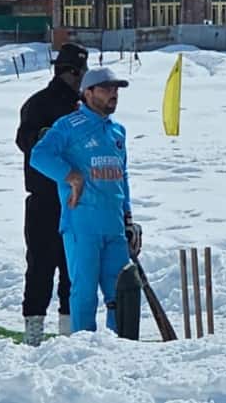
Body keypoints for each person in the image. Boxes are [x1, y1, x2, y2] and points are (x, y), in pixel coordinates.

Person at [30, 66, 142, 334]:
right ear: (88, 92)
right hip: (82, 223)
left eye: (116, 89)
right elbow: (39, 155)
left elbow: (121, 176)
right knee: (84, 292)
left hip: (113, 225)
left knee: (121, 292)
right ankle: (83, 351)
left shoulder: (117, 132)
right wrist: (71, 176)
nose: (113, 94)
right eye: (107, 88)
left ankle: (123, 347)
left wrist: (128, 218)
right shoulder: (69, 126)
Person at [15, 42, 88, 346]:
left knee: (72, 269)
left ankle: (67, 335)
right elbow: (25, 140)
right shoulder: (40, 104)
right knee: (41, 267)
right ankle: (34, 333)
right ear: (71, 73)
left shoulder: (82, 107)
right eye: (81, 72)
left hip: (74, 199)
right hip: (45, 198)